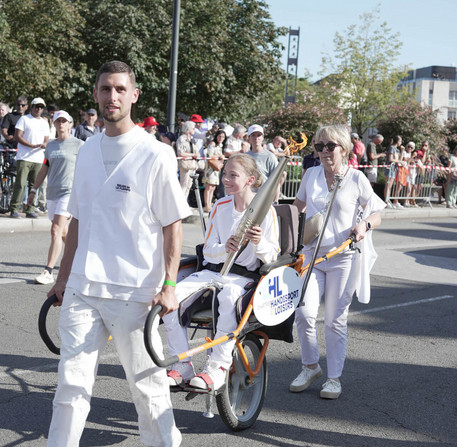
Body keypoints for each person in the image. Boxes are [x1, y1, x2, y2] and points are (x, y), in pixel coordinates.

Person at [46, 60, 187, 447]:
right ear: (95, 94)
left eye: (120, 89)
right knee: (70, 386)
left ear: (134, 95)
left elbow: (172, 224)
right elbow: (77, 220)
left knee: (148, 389)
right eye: (106, 89)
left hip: (135, 291)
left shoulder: (156, 154)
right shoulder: (88, 150)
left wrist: (170, 285)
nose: (113, 96)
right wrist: (62, 279)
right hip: (82, 288)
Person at [162, 153, 280, 390]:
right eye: (224, 174)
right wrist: (224, 248)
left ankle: (217, 368)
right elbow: (207, 251)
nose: (225, 179)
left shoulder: (267, 211)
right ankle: (182, 364)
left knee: (228, 297)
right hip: (213, 271)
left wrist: (258, 243)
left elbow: (273, 256)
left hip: (244, 277)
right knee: (168, 300)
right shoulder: (220, 205)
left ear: (250, 180)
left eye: (232, 175)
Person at [291, 124, 385, 400]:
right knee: (304, 313)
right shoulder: (311, 175)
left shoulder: (356, 179)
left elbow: (377, 212)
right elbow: (297, 208)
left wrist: (364, 225)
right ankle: (310, 367)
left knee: (334, 320)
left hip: (343, 258)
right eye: (319, 146)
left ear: (343, 149)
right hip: (311, 256)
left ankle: (333, 378)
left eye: (330, 146)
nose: (323, 151)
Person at [27, 111, 83, 285]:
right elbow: (45, 168)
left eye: (63, 121)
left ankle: (48, 271)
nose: (60, 124)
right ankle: (81, 258)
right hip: (52, 193)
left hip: (69, 192)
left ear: (70, 124)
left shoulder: (79, 145)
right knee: (63, 232)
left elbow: (87, 169)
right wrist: (33, 190)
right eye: (57, 121)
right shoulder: (50, 146)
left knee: (56, 230)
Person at [9, 97, 50, 218]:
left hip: (38, 158)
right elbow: (18, 136)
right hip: (24, 157)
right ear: (31, 107)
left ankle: (30, 209)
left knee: (34, 185)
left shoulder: (44, 122)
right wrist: (31, 145)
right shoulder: (24, 119)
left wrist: (44, 144)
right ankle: (14, 208)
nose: (39, 109)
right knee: (20, 184)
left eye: (41, 107)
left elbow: (46, 138)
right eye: (36, 106)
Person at [203, 129, 226, 212]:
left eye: (223, 137)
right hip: (210, 167)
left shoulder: (221, 146)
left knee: (213, 187)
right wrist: (219, 155)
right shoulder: (212, 144)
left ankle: (209, 204)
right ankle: (206, 205)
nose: (221, 138)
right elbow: (209, 155)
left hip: (216, 168)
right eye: (220, 136)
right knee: (209, 186)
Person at [176, 120, 198, 200]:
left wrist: (196, 154)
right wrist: (193, 155)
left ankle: (185, 202)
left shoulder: (192, 139)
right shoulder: (181, 139)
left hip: (192, 165)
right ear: (188, 129)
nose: (194, 130)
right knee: (183, 185)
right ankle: (180, 204)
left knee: (189, 185)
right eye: (193, 128)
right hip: (185, 164)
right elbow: (180, 153)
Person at [384, 135, 404, 209]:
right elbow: (390, 159)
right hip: (389, 168)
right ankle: (386, 201)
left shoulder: (397, 150)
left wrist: (402, 151)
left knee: (390, 186)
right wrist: (400, 161)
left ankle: (388, 200)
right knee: (388, 185)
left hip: (394, 169)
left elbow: (399, 159)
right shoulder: (392, 148)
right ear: (397, 141)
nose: (401, 142)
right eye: (400, 141)